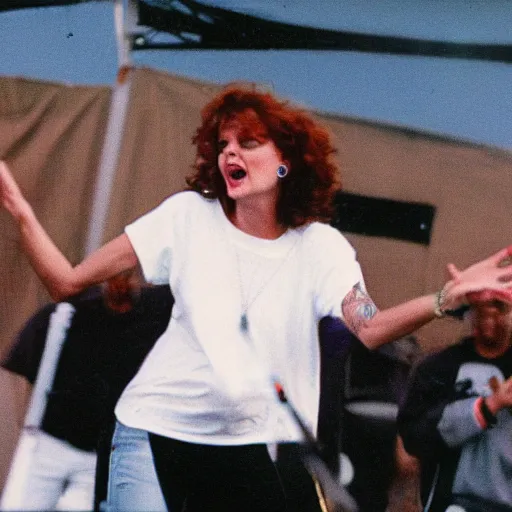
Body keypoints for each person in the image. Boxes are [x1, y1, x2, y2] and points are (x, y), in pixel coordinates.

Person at [1, 85, 511, 512]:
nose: (230, 153)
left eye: (249, 142)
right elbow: (67, 282)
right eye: (223, 143)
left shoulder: (320, 247)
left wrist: (444, 297)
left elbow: (371, 327)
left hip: (257, 445)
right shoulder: (185, 218)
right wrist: (20, 211)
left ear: (286, 161)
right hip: (153, 433)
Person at [1, 270, 172, 511]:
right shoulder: (71, 313)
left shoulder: (155, 318)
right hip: (51, 440)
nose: (123, 285)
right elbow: (19, 367)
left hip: (101, 454)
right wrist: (27, 428)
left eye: (131, 277)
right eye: (117, 277)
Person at [397, 288, 512, 512]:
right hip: (450, 502)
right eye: (482, 304)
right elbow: (415, 436)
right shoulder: (439, 368)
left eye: (500, 306)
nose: (491, 315)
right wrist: (486, 408)